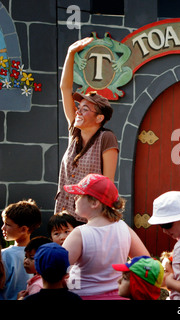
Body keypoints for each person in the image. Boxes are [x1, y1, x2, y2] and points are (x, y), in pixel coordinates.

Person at [56, 37, 119, 223]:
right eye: (79, 106)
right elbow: (65, 88)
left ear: (99, 118)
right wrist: (71, 53)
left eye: (85, 109)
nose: (78, 111)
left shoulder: (106, 138)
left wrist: (102, 221)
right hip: (63, 215)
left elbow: (107, 185)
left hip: (87, 218)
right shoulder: (73, 132)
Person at [62, 173, 150, 300]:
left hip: (83, 296)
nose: (75, 198)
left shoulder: (79, 233)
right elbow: (146, 262)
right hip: (119, 296)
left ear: (94, 203)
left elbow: (55, 271)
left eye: (80, 195)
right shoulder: (124, 228)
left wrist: (67, 284)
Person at [0, 199, 41, 300]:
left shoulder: (4, 255)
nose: (2, 228)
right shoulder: (41, 253)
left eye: (7, 225)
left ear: (23, 229)